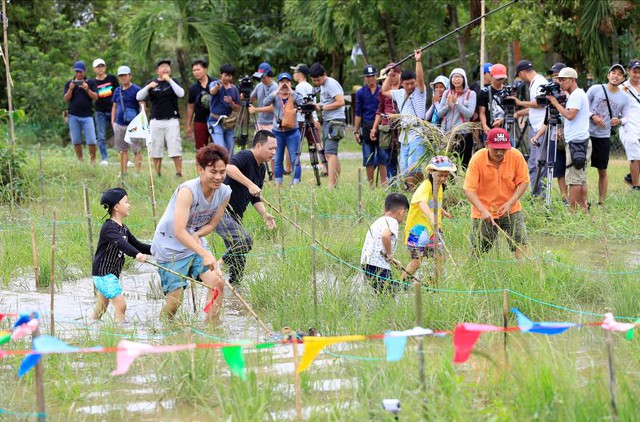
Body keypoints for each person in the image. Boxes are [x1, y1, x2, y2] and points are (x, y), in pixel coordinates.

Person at [151, 144, 231, 321]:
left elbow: (212, 224)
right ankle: (163, 330)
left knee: (217, 284)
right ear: (200, 170)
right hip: (170, 247)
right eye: (213, 172)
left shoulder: (225, 192)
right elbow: (179, 231)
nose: (218, 177)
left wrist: (198, 235)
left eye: (222, 172)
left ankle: (211, 327)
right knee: (175, 301)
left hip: (194, 244)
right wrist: (205, 253)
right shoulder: (187, 191)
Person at [215, 130, 277, 284]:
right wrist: (250, 184)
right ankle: (216, 267)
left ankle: (233, 292)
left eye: (275, 149)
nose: (274, 152)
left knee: (239, 262)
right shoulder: (245, 155)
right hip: (220, 211)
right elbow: (228, 167)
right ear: (258, 145)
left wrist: (264, 214)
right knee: (244, 241)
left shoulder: (261, 168)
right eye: (270, 148)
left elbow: (255, 196)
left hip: (236, 215)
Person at [464, 128, 529, 258]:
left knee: (521, 244)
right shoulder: (477, 159)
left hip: (510, 209)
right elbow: (469, 189)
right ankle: (474, 275)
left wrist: (511, 203)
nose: (500, 153)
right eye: (495, 149)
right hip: (483, 212)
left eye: (503, 149)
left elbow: (524, 181)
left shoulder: (516, 156)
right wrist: (483, 210)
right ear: (487, 145)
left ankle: (524, 274)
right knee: (477, 250)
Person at [92, 188, 150, 323]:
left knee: (100, 309)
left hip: (109, 274)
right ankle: (119, 334)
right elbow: (121, 244)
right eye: (126, 202)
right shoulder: (109, 228)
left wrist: (158, 250)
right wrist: (136, 255)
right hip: (104, 274)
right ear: (116, 207)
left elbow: (137, 245)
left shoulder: (122, 228)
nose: (129, 205)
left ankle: (90, 327)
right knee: (121, 305)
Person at [403, 156, 456, 283]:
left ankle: (433, 284)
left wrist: (444, 213)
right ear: (431, 172)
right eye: (440, 175)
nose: (443, 179)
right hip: (418, 231)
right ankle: (401, 283)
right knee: (416, 262)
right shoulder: (425, 186)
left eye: (446, 176)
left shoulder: (440, 187)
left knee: (441, 257)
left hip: (434, 230)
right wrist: (431, 217)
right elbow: (422, 202)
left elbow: (435, 204)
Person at [547, 67, 592, 212]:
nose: (560, 83)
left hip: (577, 142)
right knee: (580, 177)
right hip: (578, 140)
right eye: (559, 80)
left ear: (573, 80)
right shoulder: (574, 95)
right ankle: (583, 207)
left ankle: (572, 210)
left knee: (574, 179)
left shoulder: (577, 95)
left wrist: (555, 103)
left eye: (563, 80)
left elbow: (570, 115)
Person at [381, 50, 427, 188]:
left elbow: (420, 79)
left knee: (414, 166)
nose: (409, 86)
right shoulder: (400, 93)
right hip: (404, 135)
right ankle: (412, 188)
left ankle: (417, 189)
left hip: (417, 132)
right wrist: (389, 75)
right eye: (406, 84)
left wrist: (418, 61)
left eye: (412, 83)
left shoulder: (420, 92)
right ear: (402, 83)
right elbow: (384, 91)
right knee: (404, 165)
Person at [587, 64, 630, 204]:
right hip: (586, 134)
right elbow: (581, 107)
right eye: (613, 72)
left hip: (603, 137)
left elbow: (627, 117)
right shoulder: (595, 89)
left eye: (619, 74)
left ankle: (601, 202)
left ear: (623, 79)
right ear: (608, 75)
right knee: (580, 169)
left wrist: (619, 121)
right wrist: (593, 115)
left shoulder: (624, 98)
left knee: (603, 171)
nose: (615, 76)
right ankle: (581, 200)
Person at [251, 73, 302, 185]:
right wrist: (277, 91)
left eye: (287, 82)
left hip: (292, 132)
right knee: (278, 158)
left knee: (295, 159)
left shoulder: (294, 95)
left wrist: (291, 92)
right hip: (277, 132)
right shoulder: (275, 95)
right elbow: (265, 102)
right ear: (278, 83)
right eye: (282, 82)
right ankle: (278, 182)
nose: (284, 84)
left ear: (290, 83)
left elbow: (302, 102)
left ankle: (296, 182)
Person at [136, 59, 185, 177]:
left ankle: (179, 172)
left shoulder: (174, 82)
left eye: (167, 66)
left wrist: (169, 80)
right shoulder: (151, 83)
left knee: (175, 147)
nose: (165, 68)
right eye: (162, 67)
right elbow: (139, 96)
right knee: (156, 147)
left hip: (171, 120)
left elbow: (181, 94)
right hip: (155, 120)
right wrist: (148, 86)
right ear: (157, 71)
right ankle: (157, 173)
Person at [530, 62, 569, 203]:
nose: (555, 79)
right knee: (557, 168)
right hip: (555, 137)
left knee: (570, 168)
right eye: (553, 76)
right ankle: (563, 198)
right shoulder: (552, 96)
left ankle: (573, 199)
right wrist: (537, 136)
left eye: (558, 76)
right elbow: (548, 120)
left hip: (569, 137)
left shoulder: (570, 95)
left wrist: (560, 129)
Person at [510, 60, 548, 196]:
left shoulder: (539, 82)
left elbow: (541, 103)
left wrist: (519, 102)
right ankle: (535, 193)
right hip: (536, 127)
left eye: (519, 76)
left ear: (522, 73)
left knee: (540, 163)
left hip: (541, 128)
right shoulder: (535, 83)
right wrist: (519, 112)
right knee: (533, 164)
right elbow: (534, 107)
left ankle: (541, 195)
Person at [360, 193, 409, 294]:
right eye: (405, 214)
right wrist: (390, 255)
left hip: (367, 263)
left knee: (382, 292)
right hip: (379, 265)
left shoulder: (379, 221)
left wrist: (392, 260)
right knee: (389, 294)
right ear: (402, 212)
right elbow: (385, 236)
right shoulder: (393, 222)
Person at [309, 62, 346, 189]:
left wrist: (322, 107)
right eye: (314, 80)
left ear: (324, 75)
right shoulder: (324, 85)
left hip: (335, 120)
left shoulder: (330, 84)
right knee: (331, 153)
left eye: (318, 79)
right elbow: (329, 101)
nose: (316, 82)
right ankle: (335, 183)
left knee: (330, 153)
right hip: (329, 120)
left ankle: (331, 186)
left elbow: (341, 101)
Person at [292, 63, 328, 176]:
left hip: (302, 120)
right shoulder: (309, 86)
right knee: (317, 144)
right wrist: (316, 119)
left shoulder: (299, 87)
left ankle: (291, 169)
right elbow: (312, 104)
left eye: (295, 73)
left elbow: (304, 104)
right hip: (312, 118)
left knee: (297, 146)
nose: (294, 75)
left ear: (300, 74)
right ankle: (326, 168)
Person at [354, 64, 387, 186]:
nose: (370, 78)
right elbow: (358, 112)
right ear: (365, 78)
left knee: (383, 156)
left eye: (372, 76)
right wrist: (356, 130)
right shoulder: (361, 93)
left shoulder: (382, 90)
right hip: (367, 126)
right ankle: (371, 185)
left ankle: (384, 184)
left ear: (376, 76)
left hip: (382, 126)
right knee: (368, 158)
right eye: (368, 76)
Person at [438, 67, 477, 169]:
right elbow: (439, 114)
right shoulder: (446, 93)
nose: (456, 79)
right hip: (449, 134)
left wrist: (457, 103)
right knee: (449, 164)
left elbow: (469, 114)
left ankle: (464, 184)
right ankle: (450, 184)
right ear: (450, 80)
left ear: (464, 79)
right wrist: (447, 106)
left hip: (464, 134)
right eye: (454, 77)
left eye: (459, 77)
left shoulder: (470, 94)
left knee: (464, 164)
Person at [111, 66, 144, 177]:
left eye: (125, 75)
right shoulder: (117, 90)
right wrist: (113, 122)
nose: (123, 78)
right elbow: (114, 106)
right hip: (119, 124)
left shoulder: (137, 89)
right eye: (121, 76)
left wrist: (142, 121)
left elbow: (142, 105)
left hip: (133, 124)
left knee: (136, 149)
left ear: (129, 75)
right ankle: (123, 171)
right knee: (122, 150)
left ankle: (137, 172)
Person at [63, 60, 99, 163]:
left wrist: (87, 89)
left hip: (87, 115)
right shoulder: (69, 83)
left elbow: (95, 97)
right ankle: (80, 160)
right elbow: (66, 99)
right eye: (77, 72)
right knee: (76, 140)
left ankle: (93, 160)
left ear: (85, 71)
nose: (79, 74)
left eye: (81, 72)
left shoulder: (91, 83)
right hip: (73, 115)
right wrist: (70, 89)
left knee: (91, 140)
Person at [372, 63, 401, 180]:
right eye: (388, 76)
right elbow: (380, 110)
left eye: (393, 75)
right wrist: (374, 128)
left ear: (399, 74)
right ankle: (392, 183)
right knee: (389, 157)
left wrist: (397, 116)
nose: (390, 78)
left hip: (402, 126)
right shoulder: (382, 93)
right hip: (386, 127)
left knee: (404, 156)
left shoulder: (404, 89)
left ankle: (406, 182)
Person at [251, 62, 281, 173]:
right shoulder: (259, 86)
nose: (262, 79)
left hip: (271, 123)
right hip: (260, 122)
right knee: (257, 148)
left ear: (269, 75)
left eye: (263, 77)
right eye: (260, 77)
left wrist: (256, 110)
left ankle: (273, 174)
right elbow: (251, 99)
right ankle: (257, 172)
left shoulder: (275, 87)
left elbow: (272, 107)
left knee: (271, 149)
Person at [208, 63, 241, 155]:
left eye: (229, 76)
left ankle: (229, 168)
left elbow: (238, 108)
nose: (227, 78)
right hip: (215, 121)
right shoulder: (215, 84)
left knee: (230, 150)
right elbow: (212, 91)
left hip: (229, 123)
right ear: (221, 75)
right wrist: (217, 88)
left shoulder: (234, 89)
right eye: (225, 75)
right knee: (221, 148)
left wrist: (231, 103)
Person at [91, 58, 119, 166]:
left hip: (113, 110)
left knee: (119, 133)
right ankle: (104, 158)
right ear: (94, 69)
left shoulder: (112, 78)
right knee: (101, 136)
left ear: (105, 67)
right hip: (100, 111)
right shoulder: (92, 82)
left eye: (102, 66)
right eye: (98, 66)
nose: (100, 68)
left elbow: (117, 92)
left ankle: (123, 156)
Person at [186, 59, 214, 150]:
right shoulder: (193, 88)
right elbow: (190, 107)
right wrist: (188, 125)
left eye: (198, 70)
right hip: (199, 121)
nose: (196, 72)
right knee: (201, 149)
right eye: (194, 70)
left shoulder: (215, 83)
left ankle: (216, 164)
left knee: (216, 148)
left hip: (216, 120)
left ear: (205, 69)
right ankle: (200, 165)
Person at [621, 59, 640, 190]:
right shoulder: (622, 87)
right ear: (629, 71)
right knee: (635, 156)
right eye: (635, 72)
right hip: (629, 126)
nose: (637, 75)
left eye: (639, 72)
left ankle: (630, 177)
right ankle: (635, 187)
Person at [478, 63, 508, 134]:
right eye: (498, 79)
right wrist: (484, 125)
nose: (500, 81)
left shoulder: (508, 91)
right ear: (491, 76)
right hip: (490, 129)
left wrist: (502, 120)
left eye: (502, 78)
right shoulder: (484, 92)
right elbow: (482, 112)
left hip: (506, 129)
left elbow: (512, 111)